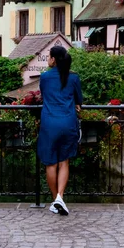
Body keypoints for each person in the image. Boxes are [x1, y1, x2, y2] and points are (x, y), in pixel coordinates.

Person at [37, 46, 83, 216]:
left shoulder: (45, 77)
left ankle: (55, 199)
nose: (48, 59)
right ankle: (60, 198)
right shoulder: (73, 78)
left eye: (49, 57)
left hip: (49, 123)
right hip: (68, 122)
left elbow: (44, 95)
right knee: (64, 161)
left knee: (51, 163)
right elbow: (79, 99)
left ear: (54, 59)